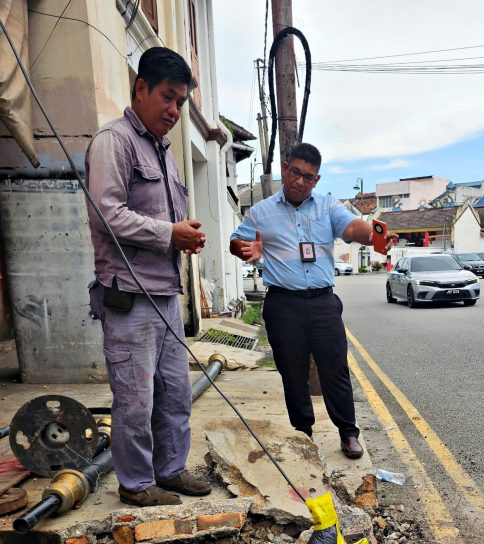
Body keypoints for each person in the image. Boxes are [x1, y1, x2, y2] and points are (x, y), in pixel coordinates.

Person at [85, 47, 211, 506]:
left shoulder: (163, 152)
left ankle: (170, 471)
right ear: (140, 88)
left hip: (165, 296)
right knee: (135, 401)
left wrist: (185, 234)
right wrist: (168, 233)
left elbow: (164, 218)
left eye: (180, 102)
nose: (174, 111)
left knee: (175, 393)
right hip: (129, 298)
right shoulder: (113, 142)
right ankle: (136, 484)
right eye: (168, 97)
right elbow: (106, 214)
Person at [230, 143, 396, 459]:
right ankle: (303, 434)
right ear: (285, 168)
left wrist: (375, 237)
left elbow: (351, 226)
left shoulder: (327, 207)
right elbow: (237, 240)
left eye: (308, 177)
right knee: (293, 373)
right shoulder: (261, 212)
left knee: (336, 369)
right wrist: (245, 249)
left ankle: (348, 432)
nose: (300, 182)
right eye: (295, 173)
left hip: (323, 303)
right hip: (283, 304)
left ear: (316, 180)